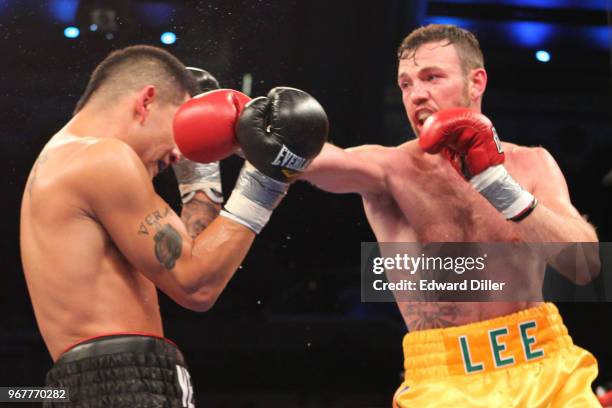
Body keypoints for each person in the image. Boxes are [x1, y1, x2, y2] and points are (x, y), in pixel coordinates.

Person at [301, 24, 601, 406]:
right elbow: (314, 160)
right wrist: (250, 131)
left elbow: (584, 264)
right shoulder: (389, 170)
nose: (416, 95)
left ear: (476, 83)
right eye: (406, 84)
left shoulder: (532, 163)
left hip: (545, 365)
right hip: (445, 380)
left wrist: (498, 185)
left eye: (431, 77)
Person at [20, 45, 328, 407]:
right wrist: (269, 179)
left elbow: (190, 257)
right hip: (123, 384)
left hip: (98, 382)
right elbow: (196, 286)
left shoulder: (62, 158)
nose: (181, 150)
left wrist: (201, 173)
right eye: (179, 121)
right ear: (146, 101)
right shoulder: (102, 158)